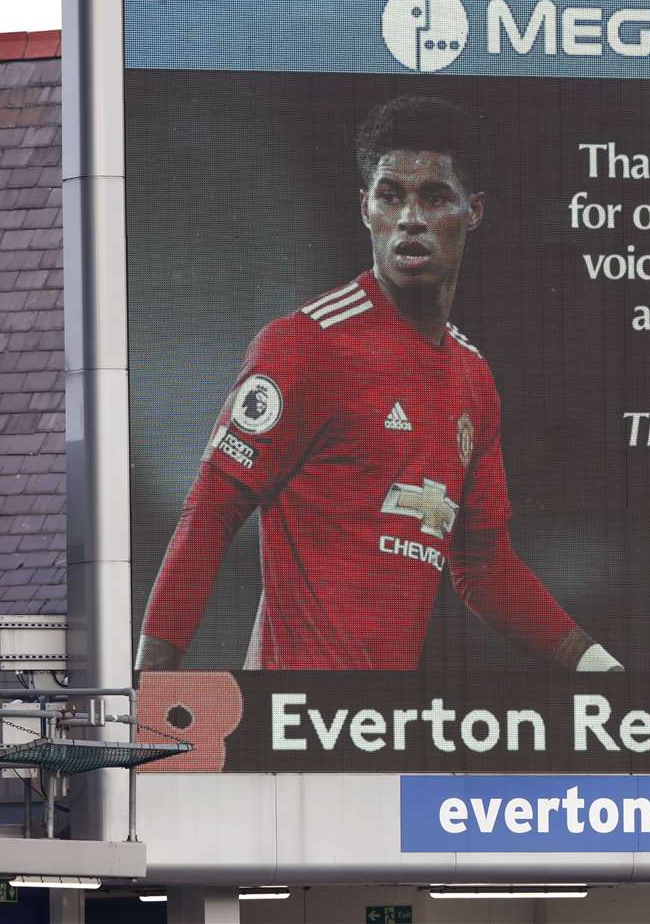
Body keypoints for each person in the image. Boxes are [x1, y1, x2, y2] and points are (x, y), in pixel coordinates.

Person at [135, 96, 621, 672]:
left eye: (435, 196)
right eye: (392, 196)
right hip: (294, 719)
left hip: (388, 725)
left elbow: (483, 563)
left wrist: (591, 662)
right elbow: (209, 515)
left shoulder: (474, 379)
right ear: (366, 208)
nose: (411, 218)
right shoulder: (305, 345)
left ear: (473, 211)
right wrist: (154, 684)